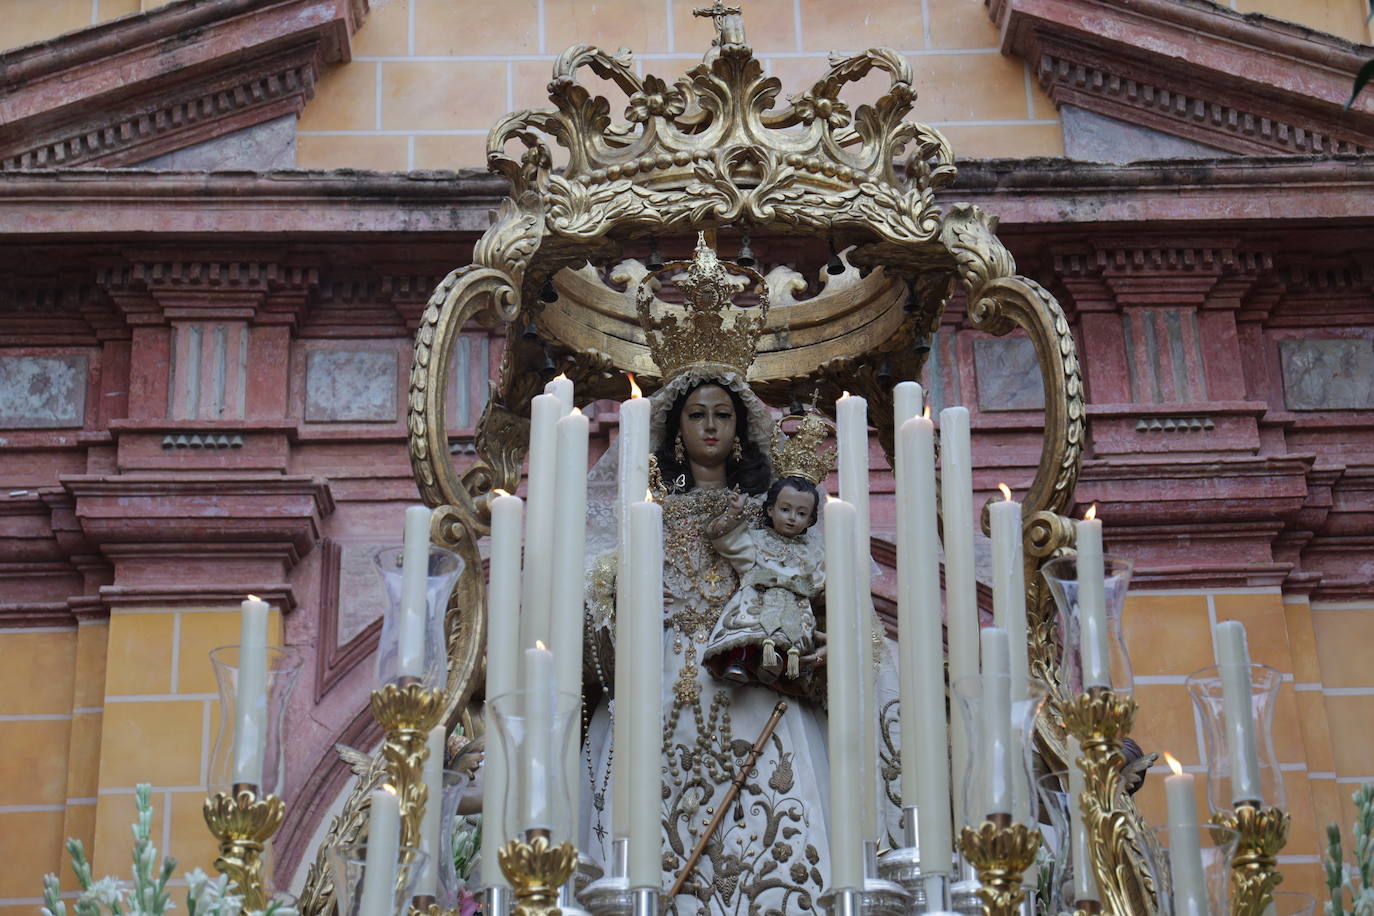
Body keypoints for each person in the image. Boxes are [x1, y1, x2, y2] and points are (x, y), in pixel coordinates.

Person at [702, 473, 825, 687]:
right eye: (785, 509)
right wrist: (734, 512)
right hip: (757, 598)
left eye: (801, 513)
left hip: (794, 604)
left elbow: (821, 581)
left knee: (791, 634)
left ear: (810, 520)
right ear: (770, 510)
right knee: (748, 626)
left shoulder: (813, 552)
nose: (792, 517)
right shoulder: (756, 539)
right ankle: (738, 662)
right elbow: (728, 541)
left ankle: (776, 664)